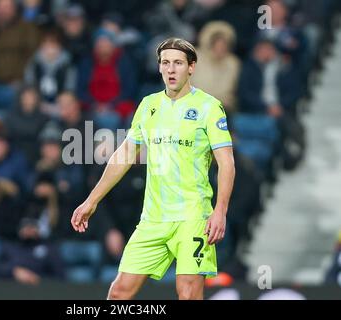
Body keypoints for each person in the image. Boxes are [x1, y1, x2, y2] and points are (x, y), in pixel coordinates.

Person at [71, 37, 235, 300]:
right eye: (166, 63)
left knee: (188, 294)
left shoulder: (209, 107)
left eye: (178, 63)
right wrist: (92, 200)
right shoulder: (148, 106)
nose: (171, 69)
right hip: (153, 219)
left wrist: (220, 210)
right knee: (119, 293)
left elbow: (226, 162)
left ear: (191, 67)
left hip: (193, 217)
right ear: (159, 67)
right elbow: (124, 154)